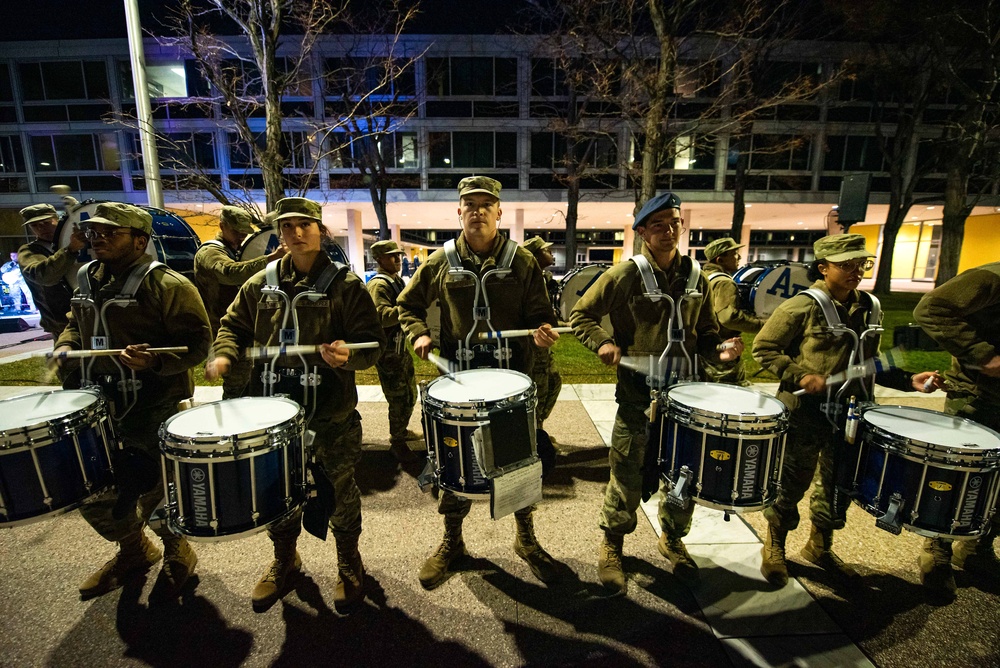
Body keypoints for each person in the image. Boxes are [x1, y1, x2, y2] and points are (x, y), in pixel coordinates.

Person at [207, 196, 384, 613]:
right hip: (273, 415)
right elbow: (232, 325)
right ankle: (285, 559)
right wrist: (225, 353)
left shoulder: (345, 284)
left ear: (321, 230)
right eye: (287, 226)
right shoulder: (261, 283)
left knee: (339, 493)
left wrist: (349, 354)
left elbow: (372, 344)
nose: (295, 233)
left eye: (305, 224)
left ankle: (349, 562)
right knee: (277, 494)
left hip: (330, 415)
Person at [570, 191, 743, 594]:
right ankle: (613, 542)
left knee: (684, 476)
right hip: (638, 398)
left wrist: (721, 349)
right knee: (627, 473)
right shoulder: (626, 274)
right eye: (659, 225)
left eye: (675, 223)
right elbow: (581, 314)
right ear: (644, 232)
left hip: (685, 400)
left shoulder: (697, 277)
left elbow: (706, 334)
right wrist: (601, 343)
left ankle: (673, 538)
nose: (669, 231)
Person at [397, 176, 563, 590]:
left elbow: (540, 314)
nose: (477, 211)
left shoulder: (521, 260)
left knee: (519, 460)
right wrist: (418, 331)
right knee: (454, 460)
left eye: (485, 204)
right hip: (461, 381)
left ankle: (525, 537)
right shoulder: (441, 260)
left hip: (511, 381)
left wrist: (543, 331)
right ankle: (452, 542)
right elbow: (407, 305)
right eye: (469, 204)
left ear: (498, 212)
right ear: (459, 211)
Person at [752, 233, 939, 588]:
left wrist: (908, 380)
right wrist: (801, 375)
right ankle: (775, 544)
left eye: (861, 264)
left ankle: (820, 545)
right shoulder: (801, 306)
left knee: (840, 484)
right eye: (846, 265)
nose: (856, 271)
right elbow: (764, 348)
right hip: (807, 413)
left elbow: (871, 363)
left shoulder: (871, 307)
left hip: (853, 414)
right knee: (792, 482)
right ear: (823, 268)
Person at [52, 202, 211, 602]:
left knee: (159, 490)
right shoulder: (87, 277)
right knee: (94, 489)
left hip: (152, 404)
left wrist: (155, 360)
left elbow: (198, 344)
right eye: (93, 232)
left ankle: (178, 552)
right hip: (97, 404)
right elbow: (76, 323)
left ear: (140, 240)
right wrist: (65, 347)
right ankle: (133, 550)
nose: (97, 237)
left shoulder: (168, 284)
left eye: (111, 232)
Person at [912, 261, 1000, 599]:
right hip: (977, 399)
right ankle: (937, 551)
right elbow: (931, 309)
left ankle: (977, 547)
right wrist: (984, 355)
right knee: (955, 480)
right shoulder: (990, 277)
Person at [194, 205, 284, 398]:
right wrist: (271, 259)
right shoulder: (210, 252)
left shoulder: (233, 250)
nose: (241, 237)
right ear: (222, 225)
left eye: (244, 232)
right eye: (236, 231)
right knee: (238, 390)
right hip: (227, 330)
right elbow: (230, 273)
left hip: (245, 329)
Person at [367, 239, 421, 463]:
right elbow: (380, 317)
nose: (398, 259)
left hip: (398, 349)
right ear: (379, 259)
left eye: (399, 255)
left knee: (410, 393)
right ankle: (396, 440)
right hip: (388, 353)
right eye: (392, 256)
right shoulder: (379, 285)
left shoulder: (394, 279)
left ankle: (401, 430)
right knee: (398, 397)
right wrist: (406, 308)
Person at [16, 203, 86, 341]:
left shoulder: (71, 241)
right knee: (70, 360)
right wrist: (69, 250)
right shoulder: (29, 251)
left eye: (46, 223)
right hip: (61, 323)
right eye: (35, 226)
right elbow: (44, 276)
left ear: (58, 220)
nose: (41, 228)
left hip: (89, 314)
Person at [700, 237, 765, 385]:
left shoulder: (704, 278)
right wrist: (762, 324)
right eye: (734, 253)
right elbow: (728, 317)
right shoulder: (724, 282)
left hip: (706, 349)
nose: (739, 257)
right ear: (720, 260)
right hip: (724, 349)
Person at [522, 236, 563, 431]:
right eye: (546, 250)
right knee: (539, 389)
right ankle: (536, 434)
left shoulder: (544, 278)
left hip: (544, 344)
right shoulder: (526, 280)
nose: (551, 253)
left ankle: (539, 427)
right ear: (536, 256)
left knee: (553, 381)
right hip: (533, 345)